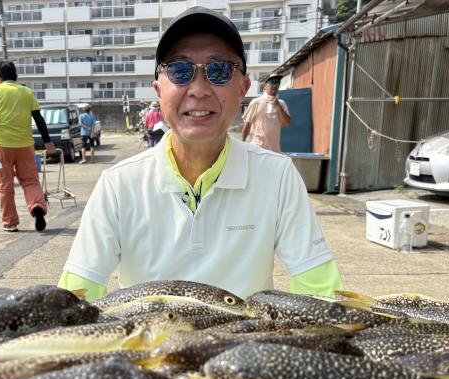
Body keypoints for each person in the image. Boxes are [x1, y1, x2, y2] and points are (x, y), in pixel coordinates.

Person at [58, 7, 342, 301]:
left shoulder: (277, 177)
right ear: (158, 90)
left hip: (245, 345)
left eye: (219, 70)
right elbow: (75, 300)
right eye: (180, 71)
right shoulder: (119, 185)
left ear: (243, 88)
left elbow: (321, 295)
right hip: (149, 344)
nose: (199, 89)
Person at [0, 60, 55, 233]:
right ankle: (37, 206)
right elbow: (39, 119)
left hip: (3, 146)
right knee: (30, 180)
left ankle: (10, 222)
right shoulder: (27, 92)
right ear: (16, 76)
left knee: (4, 185)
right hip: (25, 145)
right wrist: (48, 142)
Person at [241, 75, 291, 152]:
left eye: (277, 82)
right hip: (257, 149)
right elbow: (247, 125)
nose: (275, 85)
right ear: (265, 86)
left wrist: (278, 106)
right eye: (272, 82)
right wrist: (242, 144)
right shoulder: (256, 102)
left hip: (275, 151)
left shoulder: (282, 104)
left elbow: (287, 123)